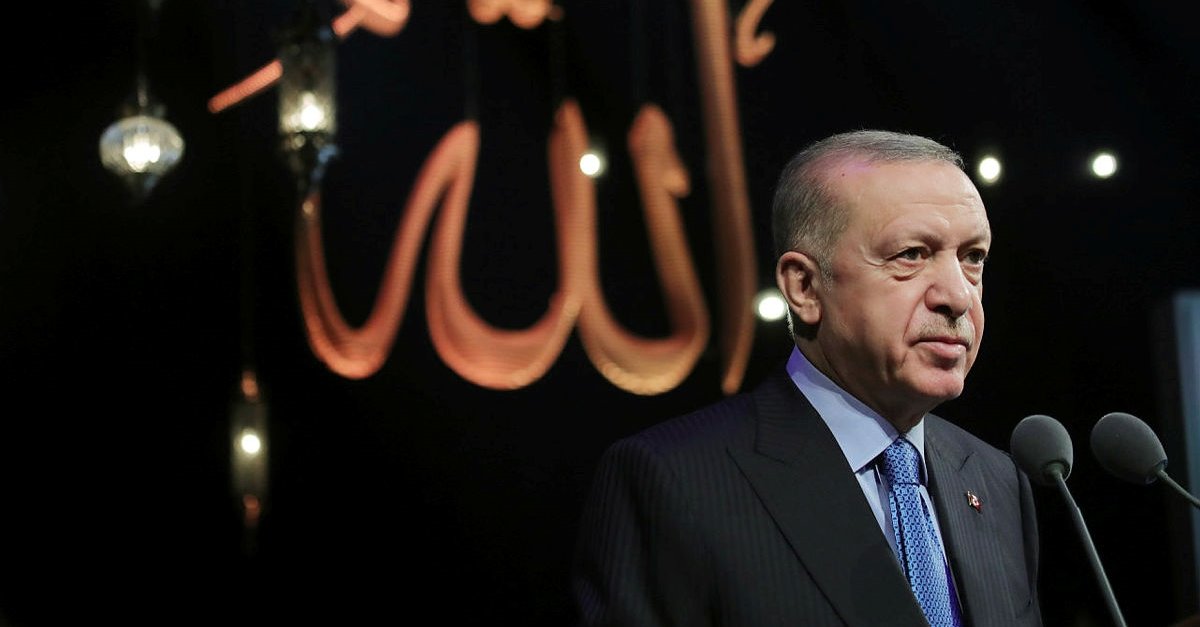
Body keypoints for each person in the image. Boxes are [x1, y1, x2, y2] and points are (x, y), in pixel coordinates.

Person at [570, 129, 1041, 626]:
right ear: (805, 287)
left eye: (973, 258)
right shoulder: (673, 480)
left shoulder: (997, 481)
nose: (959, 296)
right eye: (911, 254)